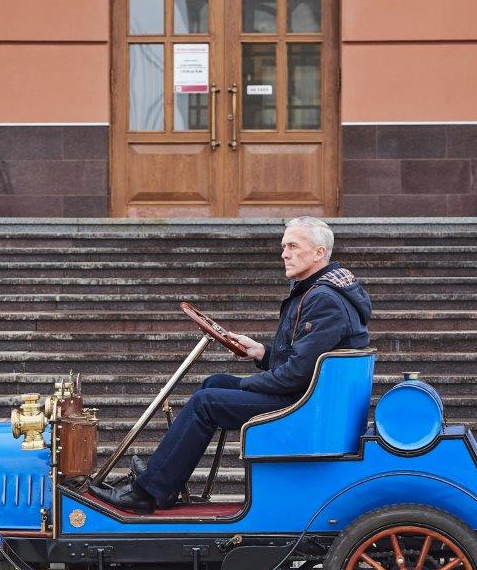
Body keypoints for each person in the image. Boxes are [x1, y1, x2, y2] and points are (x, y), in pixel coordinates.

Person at [96, 217, 372, 514]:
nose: (284, 254)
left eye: (293, 246)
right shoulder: (317, 291)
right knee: (214, 384)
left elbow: (295, 376)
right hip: (309, 397)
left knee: (206, 402)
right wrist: (262, 353)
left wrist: (245, 384)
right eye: (283, 246)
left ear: (319, 253)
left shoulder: (323, 299)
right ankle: (162, 481)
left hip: (305, 406)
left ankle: (149, 493)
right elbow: (304, 361)